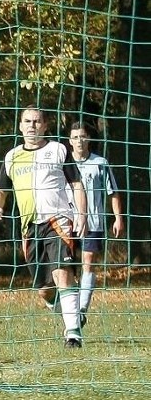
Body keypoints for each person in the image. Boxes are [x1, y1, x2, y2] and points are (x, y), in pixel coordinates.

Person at [0, 106, 88, 349]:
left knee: (62, 274)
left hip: (58, 220)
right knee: (44, 290)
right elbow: (0, 191)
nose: (32, 125)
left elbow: (76, 183)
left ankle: (73, 334)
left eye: (37, 121)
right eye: (27, 121)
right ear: (20, 126)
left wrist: (82, 214)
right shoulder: (12, 156)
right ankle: (71, 314)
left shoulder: (58, 150)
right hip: (29, 227)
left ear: (45, 126)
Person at [68, 121, 125, 325]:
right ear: (70, 141)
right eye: (75, 137)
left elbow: (113, 192)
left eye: (82, 136)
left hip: (93, 222)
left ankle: (82, 308)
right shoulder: (64, 164)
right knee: (66, 269)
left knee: (88, 262)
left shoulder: (100, 163)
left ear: (88, 138)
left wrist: (118, 218)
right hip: (68, 223)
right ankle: (71, 305)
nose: (79, 141)